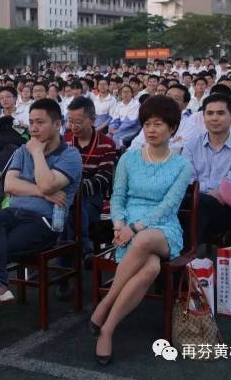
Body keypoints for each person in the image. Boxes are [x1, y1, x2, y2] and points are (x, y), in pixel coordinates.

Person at [0, 99, 82, 347]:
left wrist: (37, 153)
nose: (34, 128)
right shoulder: (20, 150)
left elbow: (47, 182)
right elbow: (9, 186)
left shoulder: (70, 156)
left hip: (45, 223)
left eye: (40, 123)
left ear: (57, 124)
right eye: (31, 122)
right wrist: (43, 193)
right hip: (14, 216)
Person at [90, 95, 193, 364]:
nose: (151, 130)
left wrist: (134, 228)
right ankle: (108, 330)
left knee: (145, 239)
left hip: (163, 229)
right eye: (147, 124)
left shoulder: (183, 165)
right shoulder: (128, 158)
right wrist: (118, 224)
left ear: (172, 128)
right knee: (150, 268)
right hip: (128, 228)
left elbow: (169, 206)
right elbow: (118, 196)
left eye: (158, 124)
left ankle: (104, 304)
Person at [182, 94, 231, 243]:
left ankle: (184, 255)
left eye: (220, 113)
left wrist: (199, 188)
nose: (214, 118)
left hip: (226, 208)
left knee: (196, 203)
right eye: (209, 113)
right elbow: (188, 179)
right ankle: (182, 255)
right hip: (196, 202)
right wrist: (208, 190)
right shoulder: (191, 145)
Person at [64, 97, 116, 264]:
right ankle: (86, 248)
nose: (73, 126)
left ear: (93, 120)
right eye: (70, 121)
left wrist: (76, 187)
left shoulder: (107, 144)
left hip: (92, 197)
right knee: (69, 209)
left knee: (73, 208)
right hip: (65, 193)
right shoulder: (64, 141)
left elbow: (103, 179)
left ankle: (65, 271)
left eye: (78, 122)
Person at [0, 87, 28, 199]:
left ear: (16, 98)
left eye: (8, 97)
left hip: (20, 149)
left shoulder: (24, 113)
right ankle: (7, 198)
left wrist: (23, 126)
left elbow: (29, 132)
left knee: (12, 150)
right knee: (11, 151)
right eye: (1, 98)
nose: (5, 100)